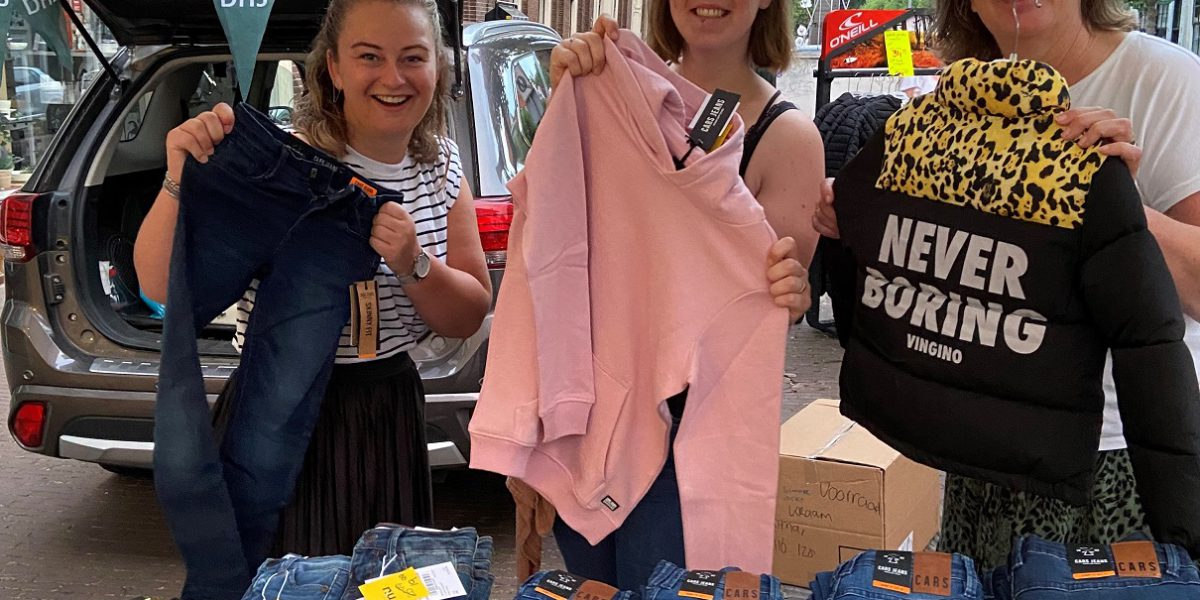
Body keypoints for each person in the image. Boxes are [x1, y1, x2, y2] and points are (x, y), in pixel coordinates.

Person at [813, 0, 1200, 571]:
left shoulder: (1165, 80)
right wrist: (861, 214)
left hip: (1114, 456)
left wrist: (1110, 207)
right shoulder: (967, 92)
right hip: (983, 442)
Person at [132, 0, 493, 575]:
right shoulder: (280, 170)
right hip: (279, 405)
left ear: (438, 69)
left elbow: (469, 312)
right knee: (279, 578)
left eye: (412, 58)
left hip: (387, 413)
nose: (394, 77)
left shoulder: (441, 168)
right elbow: (160, 285)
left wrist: (414, 263)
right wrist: (180, 175)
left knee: (381, 582)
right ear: (334, 68)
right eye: (369, 57)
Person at [544, 0, 824, 584]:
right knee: (591, 585)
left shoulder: (787, 137)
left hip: (692, 431)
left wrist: (789, 292)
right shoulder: (609, 93)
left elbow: (770, 311)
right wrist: (570, 96)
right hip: (593, 414)